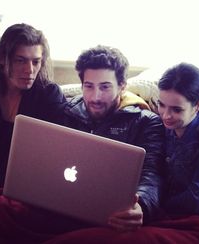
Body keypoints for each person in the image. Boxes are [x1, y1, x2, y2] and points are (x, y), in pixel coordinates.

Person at [62, 45, 165, 232]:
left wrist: (142, 206)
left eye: (105, 87)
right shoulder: (67, 111)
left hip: (111, 214)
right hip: (64, 202)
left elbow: (152, 174)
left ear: (122, 86)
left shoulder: (146, 122)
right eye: (89, 86)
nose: (95, 97)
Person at [0, 23, 66, 191]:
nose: (29, 70)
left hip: (32, 186)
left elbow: (61, 150)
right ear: (1, 60)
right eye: (20, 60)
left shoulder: (49, 95)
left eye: (36, 62)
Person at [157, 62, 199, 215]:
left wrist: (152, 210)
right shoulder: (161, 127)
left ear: (198, 104)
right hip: (165, 210)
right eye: (161, 105)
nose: (165, 115)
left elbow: (197, 199)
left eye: (176, 109)